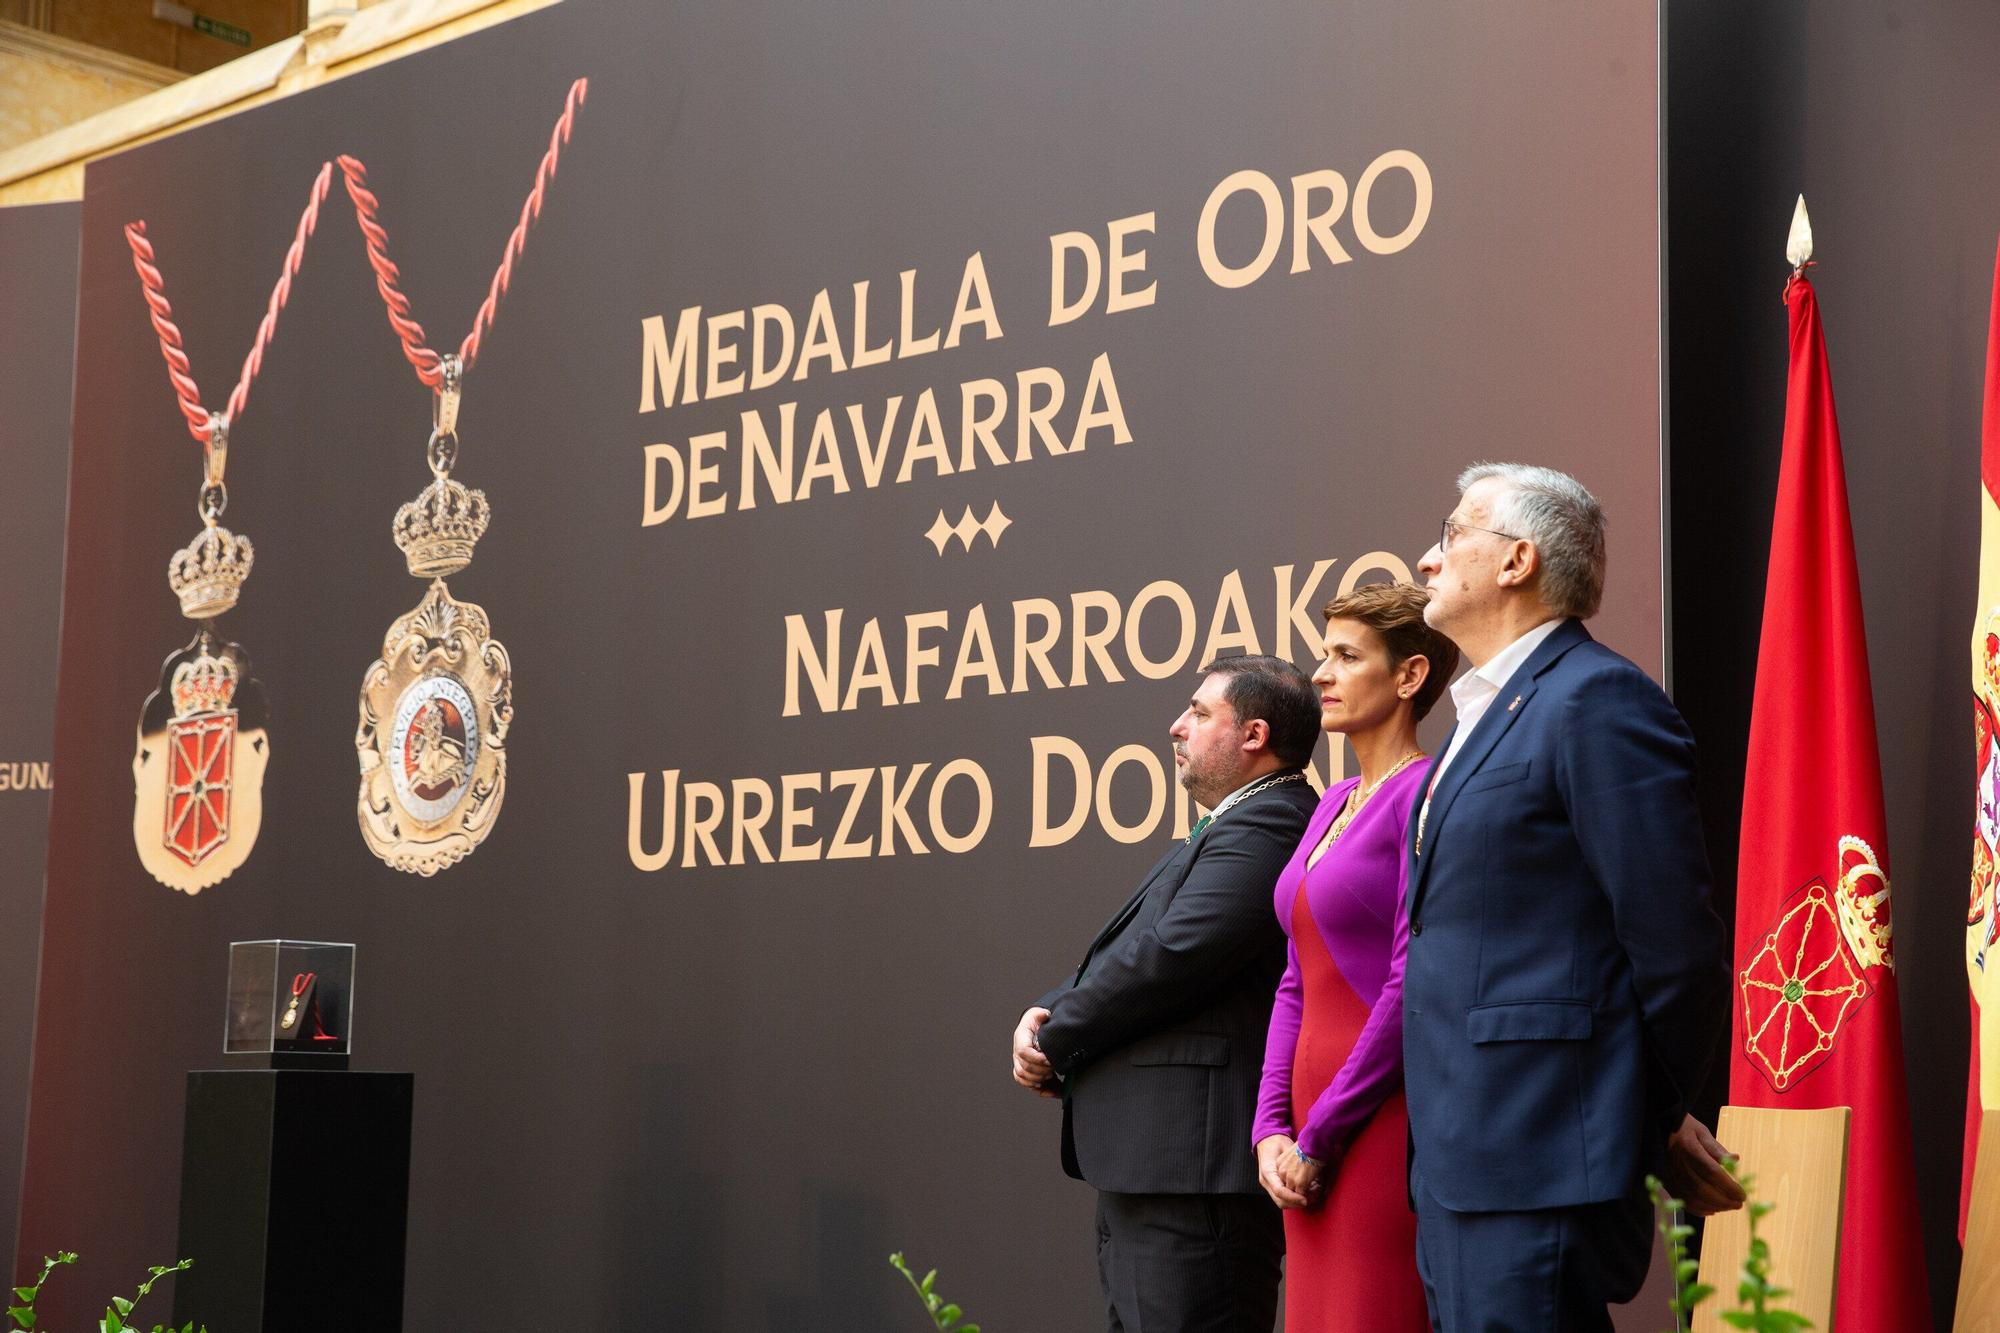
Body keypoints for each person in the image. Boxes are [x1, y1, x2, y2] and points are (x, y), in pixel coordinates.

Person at [1402, 462, 1741, 1331]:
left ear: (1517, 561)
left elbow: (1677, 950)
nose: (1427, 560)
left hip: (1538, 1153)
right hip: (1458, 1160)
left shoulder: (1596, 700)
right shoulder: (1478, 714)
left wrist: (1643, 1118)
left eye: (1450, 535)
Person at [1011, 655, 1322, 1333]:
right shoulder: (1234, 824)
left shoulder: (1273, 821)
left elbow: (1172, 955)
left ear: (1254, 734)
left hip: (1194, 1178)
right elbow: (1135, 951)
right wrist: (1049, 1013)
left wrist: (1055, 1034)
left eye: (1200, 711)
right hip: (1158, 1174)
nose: (1175, 726)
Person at [1252, 582, 1458, 1332]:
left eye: (1346, 655)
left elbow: (1411, 982)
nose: (1321, 674)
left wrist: (1321, 1132)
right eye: (1323, 653)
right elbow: (1295, 977)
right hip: (1305, 1137)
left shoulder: (1426, 794)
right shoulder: (1333, 799)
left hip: (1377, 1122)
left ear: (1409, 677)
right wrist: (1271, 1125)